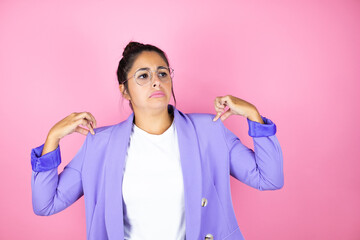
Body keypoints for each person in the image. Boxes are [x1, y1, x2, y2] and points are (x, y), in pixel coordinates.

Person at [30, 41, 284, 240]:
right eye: (143, 75)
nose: (156, 81)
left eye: (162, 73)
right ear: (124, 89)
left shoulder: (210, 131)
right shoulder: (99, 145)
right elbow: (46, 204)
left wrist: (253, 114)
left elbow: (269, 178)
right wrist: (53, 137)